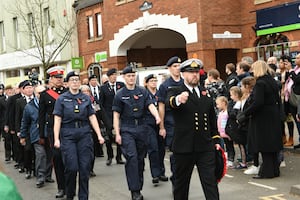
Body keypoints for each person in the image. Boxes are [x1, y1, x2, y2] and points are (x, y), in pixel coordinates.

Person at [166, 58, 221, 200]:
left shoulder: (205, 93)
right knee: (181, 184)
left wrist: (215, 139)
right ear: (183, 74)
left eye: (196, 72)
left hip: (205, 146)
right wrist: (178, 99)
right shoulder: (176, 90)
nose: (194, 75)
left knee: (210, 182)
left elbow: (211, 120)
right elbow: (170, 102)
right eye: (190, 72)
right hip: (184, 147)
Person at [53, 71, 105, 200]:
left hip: (84, 133)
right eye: (72, 80)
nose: (75, 82)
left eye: (77, 80)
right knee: (72, 167)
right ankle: (70, 194)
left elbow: (92, 117)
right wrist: (56, 138)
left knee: (84, 168)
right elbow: (57, 119)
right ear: (67, 83)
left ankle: (83, 197)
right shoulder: (62, 99)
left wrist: (99, 135)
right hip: (68, 134)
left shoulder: (86, 98)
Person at [112, 66, 161, 200]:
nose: (131, 78)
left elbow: (150, 105)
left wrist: (157, 116)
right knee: (132, 158)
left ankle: (138, 185)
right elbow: (116, 115)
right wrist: (117, 133)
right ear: (124, 77)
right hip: (127, 128)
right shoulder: (119, 94)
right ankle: (135, 190)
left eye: (133, 75)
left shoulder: (142, 91)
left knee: (140, 159)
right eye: (128, 76)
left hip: (142, 127)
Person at [241, 60, 282, 179]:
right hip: (273, 115)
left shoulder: (260, 83)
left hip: (263, 117)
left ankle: (267, 172)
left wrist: (245, 113)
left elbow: (258, 102)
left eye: (253, 69)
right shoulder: (272, 81)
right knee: (272, 145)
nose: (252, 72)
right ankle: (274, 170)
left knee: (265, 145)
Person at [39, 66, 67, 198]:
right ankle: (61, 187)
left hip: (68, 129)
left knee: (70, 160)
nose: (59, 80)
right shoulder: (45, 95)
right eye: (56, 78)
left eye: (60, 77)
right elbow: (41, 115)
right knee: (57, 158)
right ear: (51, 79)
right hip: (52, 131)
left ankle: (70, 185)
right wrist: (41, 135)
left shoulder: (68, 92)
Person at [157, 56, 183, 187]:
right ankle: (176, 178)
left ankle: (181, 178)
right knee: (175, 152)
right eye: (175, 66)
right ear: (169, 68)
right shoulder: (164, 86)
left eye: (179, 66)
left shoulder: (185, 82)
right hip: (171, 122)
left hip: (184, 121)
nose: (177, 68)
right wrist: (161, 126)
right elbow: (161, 107)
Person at [80, 84, 112, 177]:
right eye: (84, 91)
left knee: (92, 149)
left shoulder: (94, 101)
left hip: (95, 128)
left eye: (87, 91)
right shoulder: (78, 101)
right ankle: (84, 168)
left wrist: (108, 125)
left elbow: (101, 113)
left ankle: (90, 169)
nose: (86, 93)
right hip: (83, 127)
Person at [20, 85, 47, 187]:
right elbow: (25, 122)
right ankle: (40, 177)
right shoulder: (29, 106)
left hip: (49, 133)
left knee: (49, 156)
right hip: (36, 135)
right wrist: (22, 136)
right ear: (35, 94)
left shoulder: (50, 103)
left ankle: (47, 175)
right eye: (39, 93)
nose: (41, 95)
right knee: (40, 155)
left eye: (43, 92)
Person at [99, 68, 125, 165]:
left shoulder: (121, 86)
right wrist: (105, 118)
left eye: (115, 75)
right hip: (109, 116)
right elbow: (101, 104)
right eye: (112, 75)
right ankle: (110, 156)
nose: (114, 77)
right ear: (109, 77)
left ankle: (119, 156)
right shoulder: (103, 88)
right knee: (109, 138)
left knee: (120, 136)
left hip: (120, 115)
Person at [144, 74, 165, 185]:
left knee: (161, 148)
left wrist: (162, 126)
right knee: (153, 148)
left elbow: (162, 108)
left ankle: (161, 171)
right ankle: (155, 174)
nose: (154, 83)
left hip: (160, 123)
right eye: (151, 81)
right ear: (146, 83)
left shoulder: (159, 93)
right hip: (148, 123)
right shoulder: (144, 94)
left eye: (155, 80)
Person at [215, 96, 234, 169]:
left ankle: (230, 160)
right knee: (223, 147)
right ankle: (225, 159)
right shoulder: (220, 113)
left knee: (230, 147)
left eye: (218, 104)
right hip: (221, 133)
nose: (217, 106)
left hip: (227, 133)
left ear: (223, 103)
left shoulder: (227, 113)